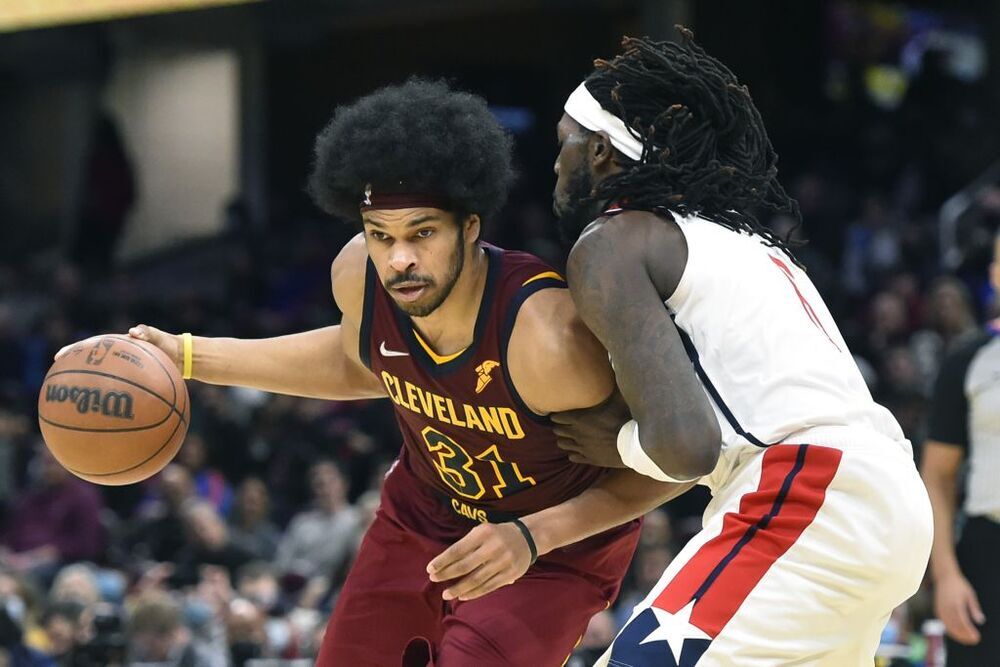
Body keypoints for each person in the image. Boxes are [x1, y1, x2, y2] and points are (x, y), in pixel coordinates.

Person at [61, 79, 690, 665]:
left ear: (470, 228)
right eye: (381, 235)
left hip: (551, 547)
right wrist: (187, 355)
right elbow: (359, 363)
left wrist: (534, 534)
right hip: (422, 516)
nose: (401, 258)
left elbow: (677, 465)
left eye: (422, 233)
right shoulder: (360, 277)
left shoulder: (549, 338)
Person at [549, 29, 933, 664]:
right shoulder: (748, 243)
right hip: (886, 493)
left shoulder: (611, 244)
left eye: (562, 142)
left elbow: (686, 446)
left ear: (598, 153)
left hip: (812, 492)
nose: (554, 162)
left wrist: (613, 442)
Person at [920, 231, 1000, 665]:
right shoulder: (968, 359)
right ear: (995, 274)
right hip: (988, 553)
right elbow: (936, 475)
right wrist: (946, 575)